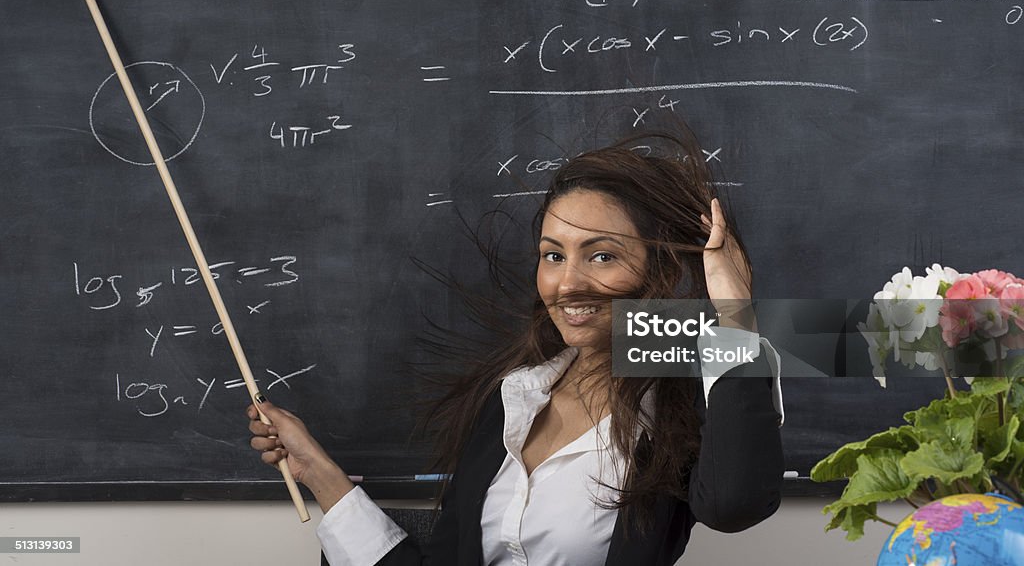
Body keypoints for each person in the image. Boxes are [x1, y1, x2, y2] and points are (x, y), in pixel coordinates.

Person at [247, 133, 785, 565]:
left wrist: (733, 311)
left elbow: (734, 505)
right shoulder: (512, 398)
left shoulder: (682, 391)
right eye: (553, 255)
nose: (567, 283)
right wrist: (315, 467)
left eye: (601, 257)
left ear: (657, 269)